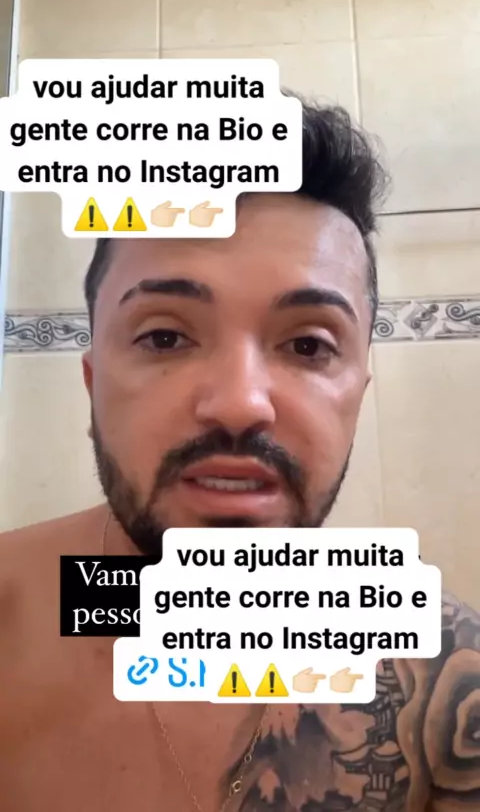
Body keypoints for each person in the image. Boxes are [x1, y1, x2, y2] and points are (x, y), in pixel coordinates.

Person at [0, 101, 479, 812]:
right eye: (165, 337)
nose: (239, 404)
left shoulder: (443, 684)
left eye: (308, 344)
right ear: (93, 381)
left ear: (358, 391)